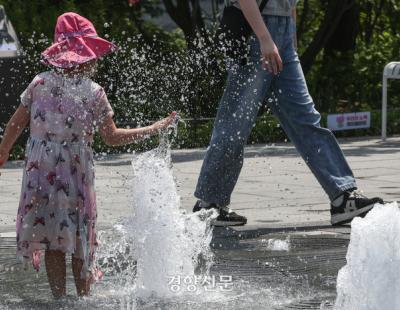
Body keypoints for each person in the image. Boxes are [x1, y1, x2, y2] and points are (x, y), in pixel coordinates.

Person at [0, 12, 175, 299]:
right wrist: (152, 129)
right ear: (89, 53)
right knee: (79, 237)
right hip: (74, 174)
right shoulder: (94, 92)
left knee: (52, 236)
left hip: (40, 174)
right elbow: (112, 137)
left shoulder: (38, 83)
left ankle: (59, 299)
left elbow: (16, 123)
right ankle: (84, 300)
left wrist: (3, 151)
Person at [193, 0, 383, 226]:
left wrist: (290, 42)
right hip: (256, 33)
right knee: (234, 125)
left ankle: (343, 197)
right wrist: (264, 38)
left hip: (282, 35)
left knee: (305, 119)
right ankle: (209, 203)